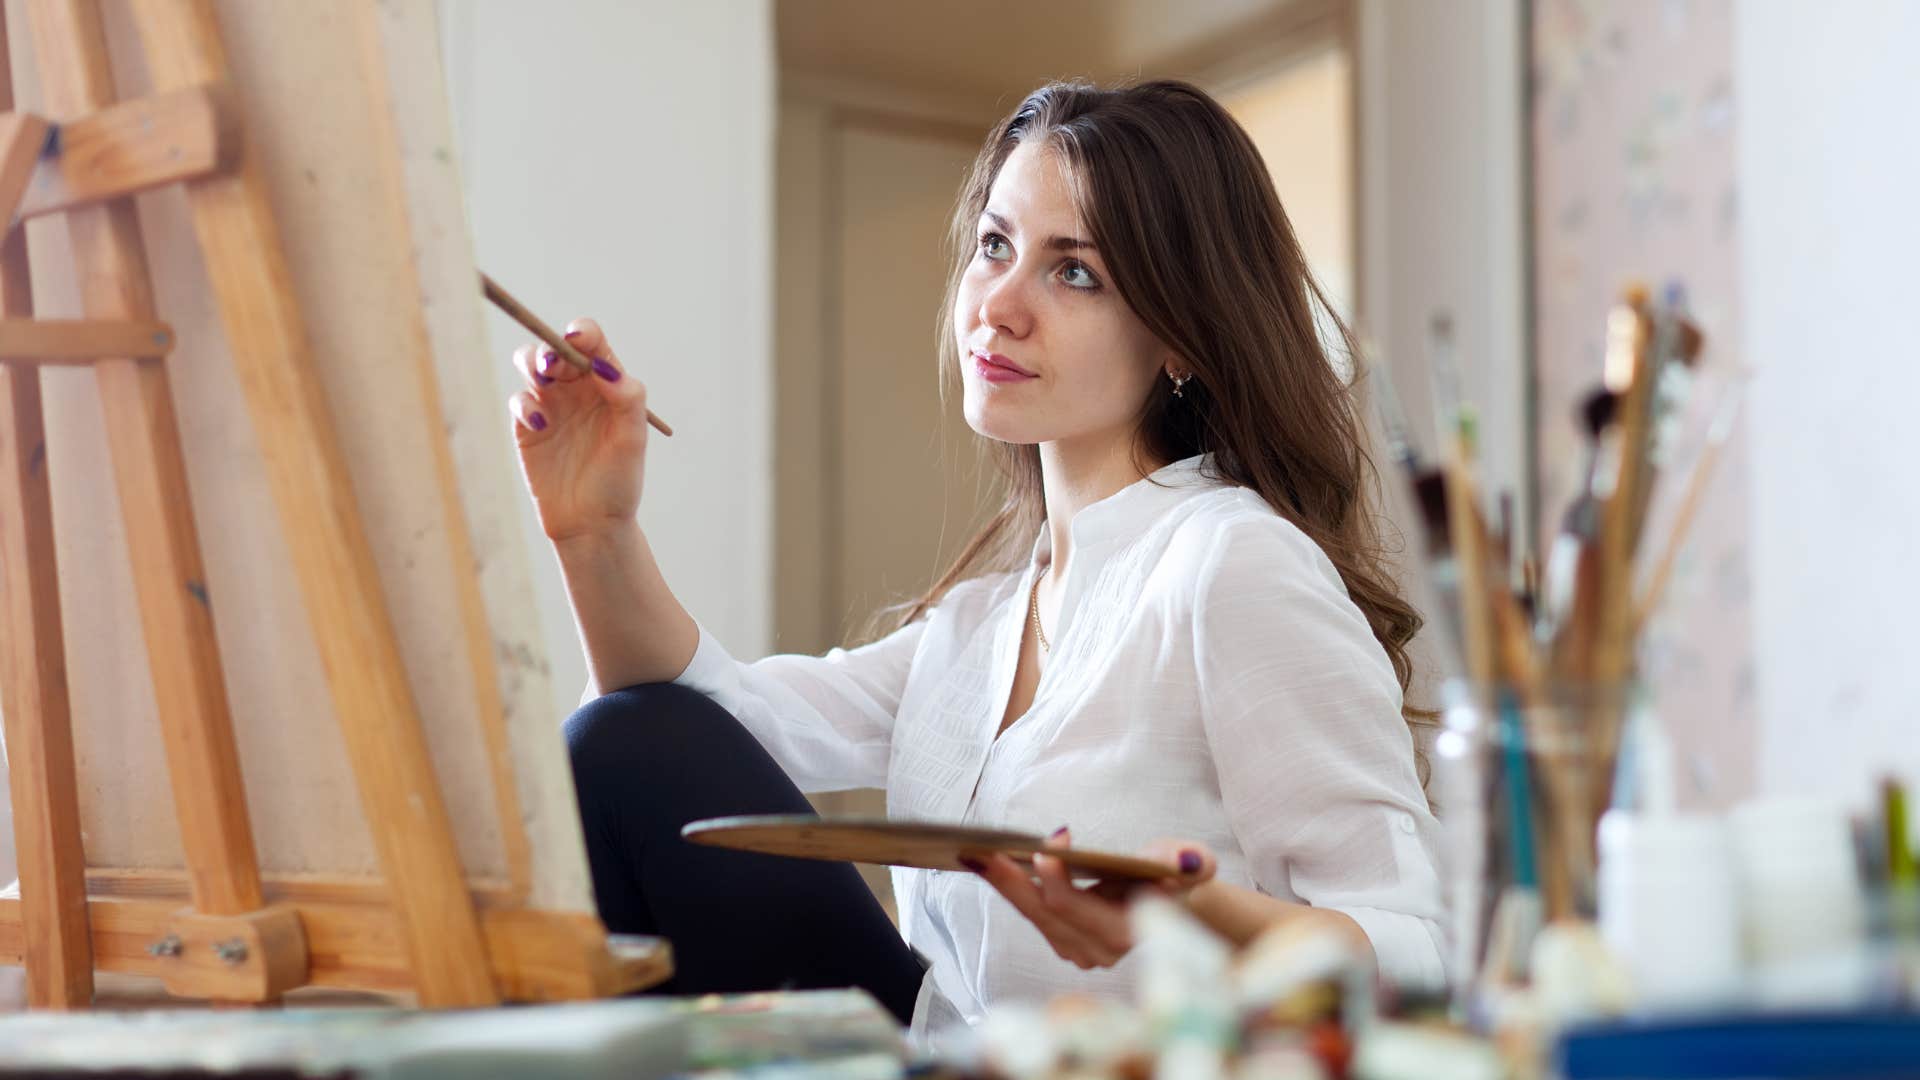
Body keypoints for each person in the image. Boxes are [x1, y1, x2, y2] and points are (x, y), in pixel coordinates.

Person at [505, 79, 1446, 1049]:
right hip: (942, 1052)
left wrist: (1189, 917)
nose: (998, 305)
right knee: (623, 740)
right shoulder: (985, 625)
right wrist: (594, 530)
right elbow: (690, 732)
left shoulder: (1232, 563)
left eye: (1072, 272)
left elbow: (1419, 953)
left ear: (1179, 336)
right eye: (995, 247)